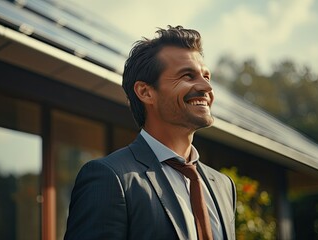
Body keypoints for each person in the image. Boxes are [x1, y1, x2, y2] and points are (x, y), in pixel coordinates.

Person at [64, 25, 236, 240]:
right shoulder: (109, 178)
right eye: (187, 76)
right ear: (146, 92)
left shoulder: (223, 185)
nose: (206, 87)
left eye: (206, 76)